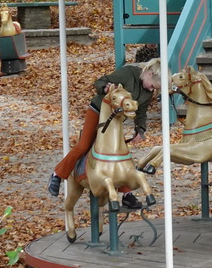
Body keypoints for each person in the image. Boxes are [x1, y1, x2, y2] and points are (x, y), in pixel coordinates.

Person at [47, 53, 161, 207]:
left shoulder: (147, 92)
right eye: (153, 85)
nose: (152, 89)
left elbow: (141, 111)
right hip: (99, 111)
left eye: (155, 88)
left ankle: (127, 194)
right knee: (84, 145)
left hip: (116, 120)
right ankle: (58, 175)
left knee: (122, 153)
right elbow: (101, 81)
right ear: (149, 74)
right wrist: (106, 88)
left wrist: (140, 129)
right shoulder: (128, 74)